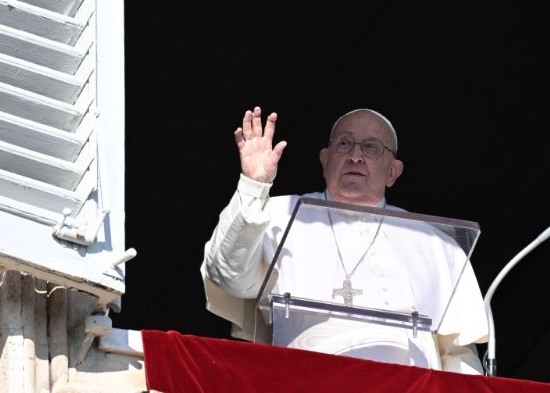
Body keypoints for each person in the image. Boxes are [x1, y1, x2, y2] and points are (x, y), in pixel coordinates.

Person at [200, 106, 489, 374]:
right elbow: (228, 277)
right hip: (303, 381)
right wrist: (254, 185)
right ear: (325, 160)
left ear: (393, 171)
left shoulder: (434, 243)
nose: (355, 156)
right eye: (345, 144)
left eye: (371, 148)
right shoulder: (277, 214)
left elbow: (458, 355)